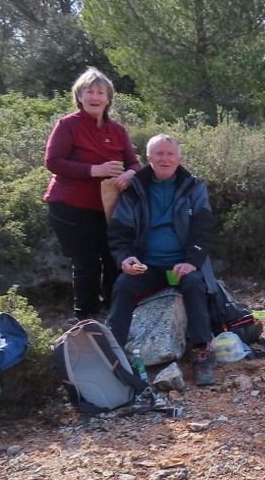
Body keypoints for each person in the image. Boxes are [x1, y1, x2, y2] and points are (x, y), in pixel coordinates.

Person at [106, 134, 219, 385]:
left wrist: (192, 260)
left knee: (193, 284)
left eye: (169, 154)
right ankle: (112, 355)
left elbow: (203, 226)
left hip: (180, 265)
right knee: (123, 285)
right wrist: (125, 258)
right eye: (159, 153)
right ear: (148, 158)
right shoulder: (135, 188)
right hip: (146, 266)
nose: (164, 158)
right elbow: (119, 230)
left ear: (179, 158)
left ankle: (201, 352)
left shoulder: (193, 186)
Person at [43, 68, 141, 321]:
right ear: (79, 96)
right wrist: (94, 170)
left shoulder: (117, 130)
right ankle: (85, 316)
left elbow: (134, 163)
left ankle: (113, 311)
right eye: (89, 91)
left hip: (108, 207)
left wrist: (130, 175)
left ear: (108, 98)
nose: (95, 96)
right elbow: (53, 161)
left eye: (101, 92)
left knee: (112, 260)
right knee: (86, 263)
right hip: (69, 206)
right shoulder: (68, 124)